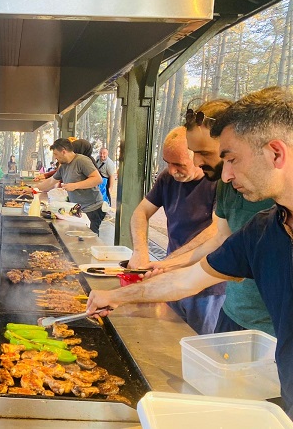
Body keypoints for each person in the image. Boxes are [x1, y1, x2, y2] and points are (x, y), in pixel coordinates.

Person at [86, 87, 293, 417]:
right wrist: (118, 296)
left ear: (276, 153)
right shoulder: (261, 231)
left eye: (231, 159)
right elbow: (190, 279)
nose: (225, 175)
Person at [143, 101, 275, 336]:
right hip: (232, 313)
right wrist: (167, 265)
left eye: (204, 153)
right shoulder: (224, 186)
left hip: (267, 328)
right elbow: (219, 239)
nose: (196, 162)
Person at [128, 126, 224, 334]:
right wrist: (140, 250)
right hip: (171, 275)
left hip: (206, 282)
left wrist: (168, 262)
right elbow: (140, 212)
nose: (172, 171)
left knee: (198, 341)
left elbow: (216, 232)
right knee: (169, 336)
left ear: (197, 157)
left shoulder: (219, 182)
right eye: (167, 163)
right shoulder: (167, 177)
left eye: (179, 164)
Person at [37, 138, 105, 235]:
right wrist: (33, 189)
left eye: (56, 154)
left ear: (63, 151)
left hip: (92, 208)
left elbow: (97, 179)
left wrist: (75, 185)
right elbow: (51, 181)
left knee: (89, 237)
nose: (55, 157)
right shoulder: (64, 166)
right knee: (77, 235)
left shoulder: (82, 160)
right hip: (78, 208)